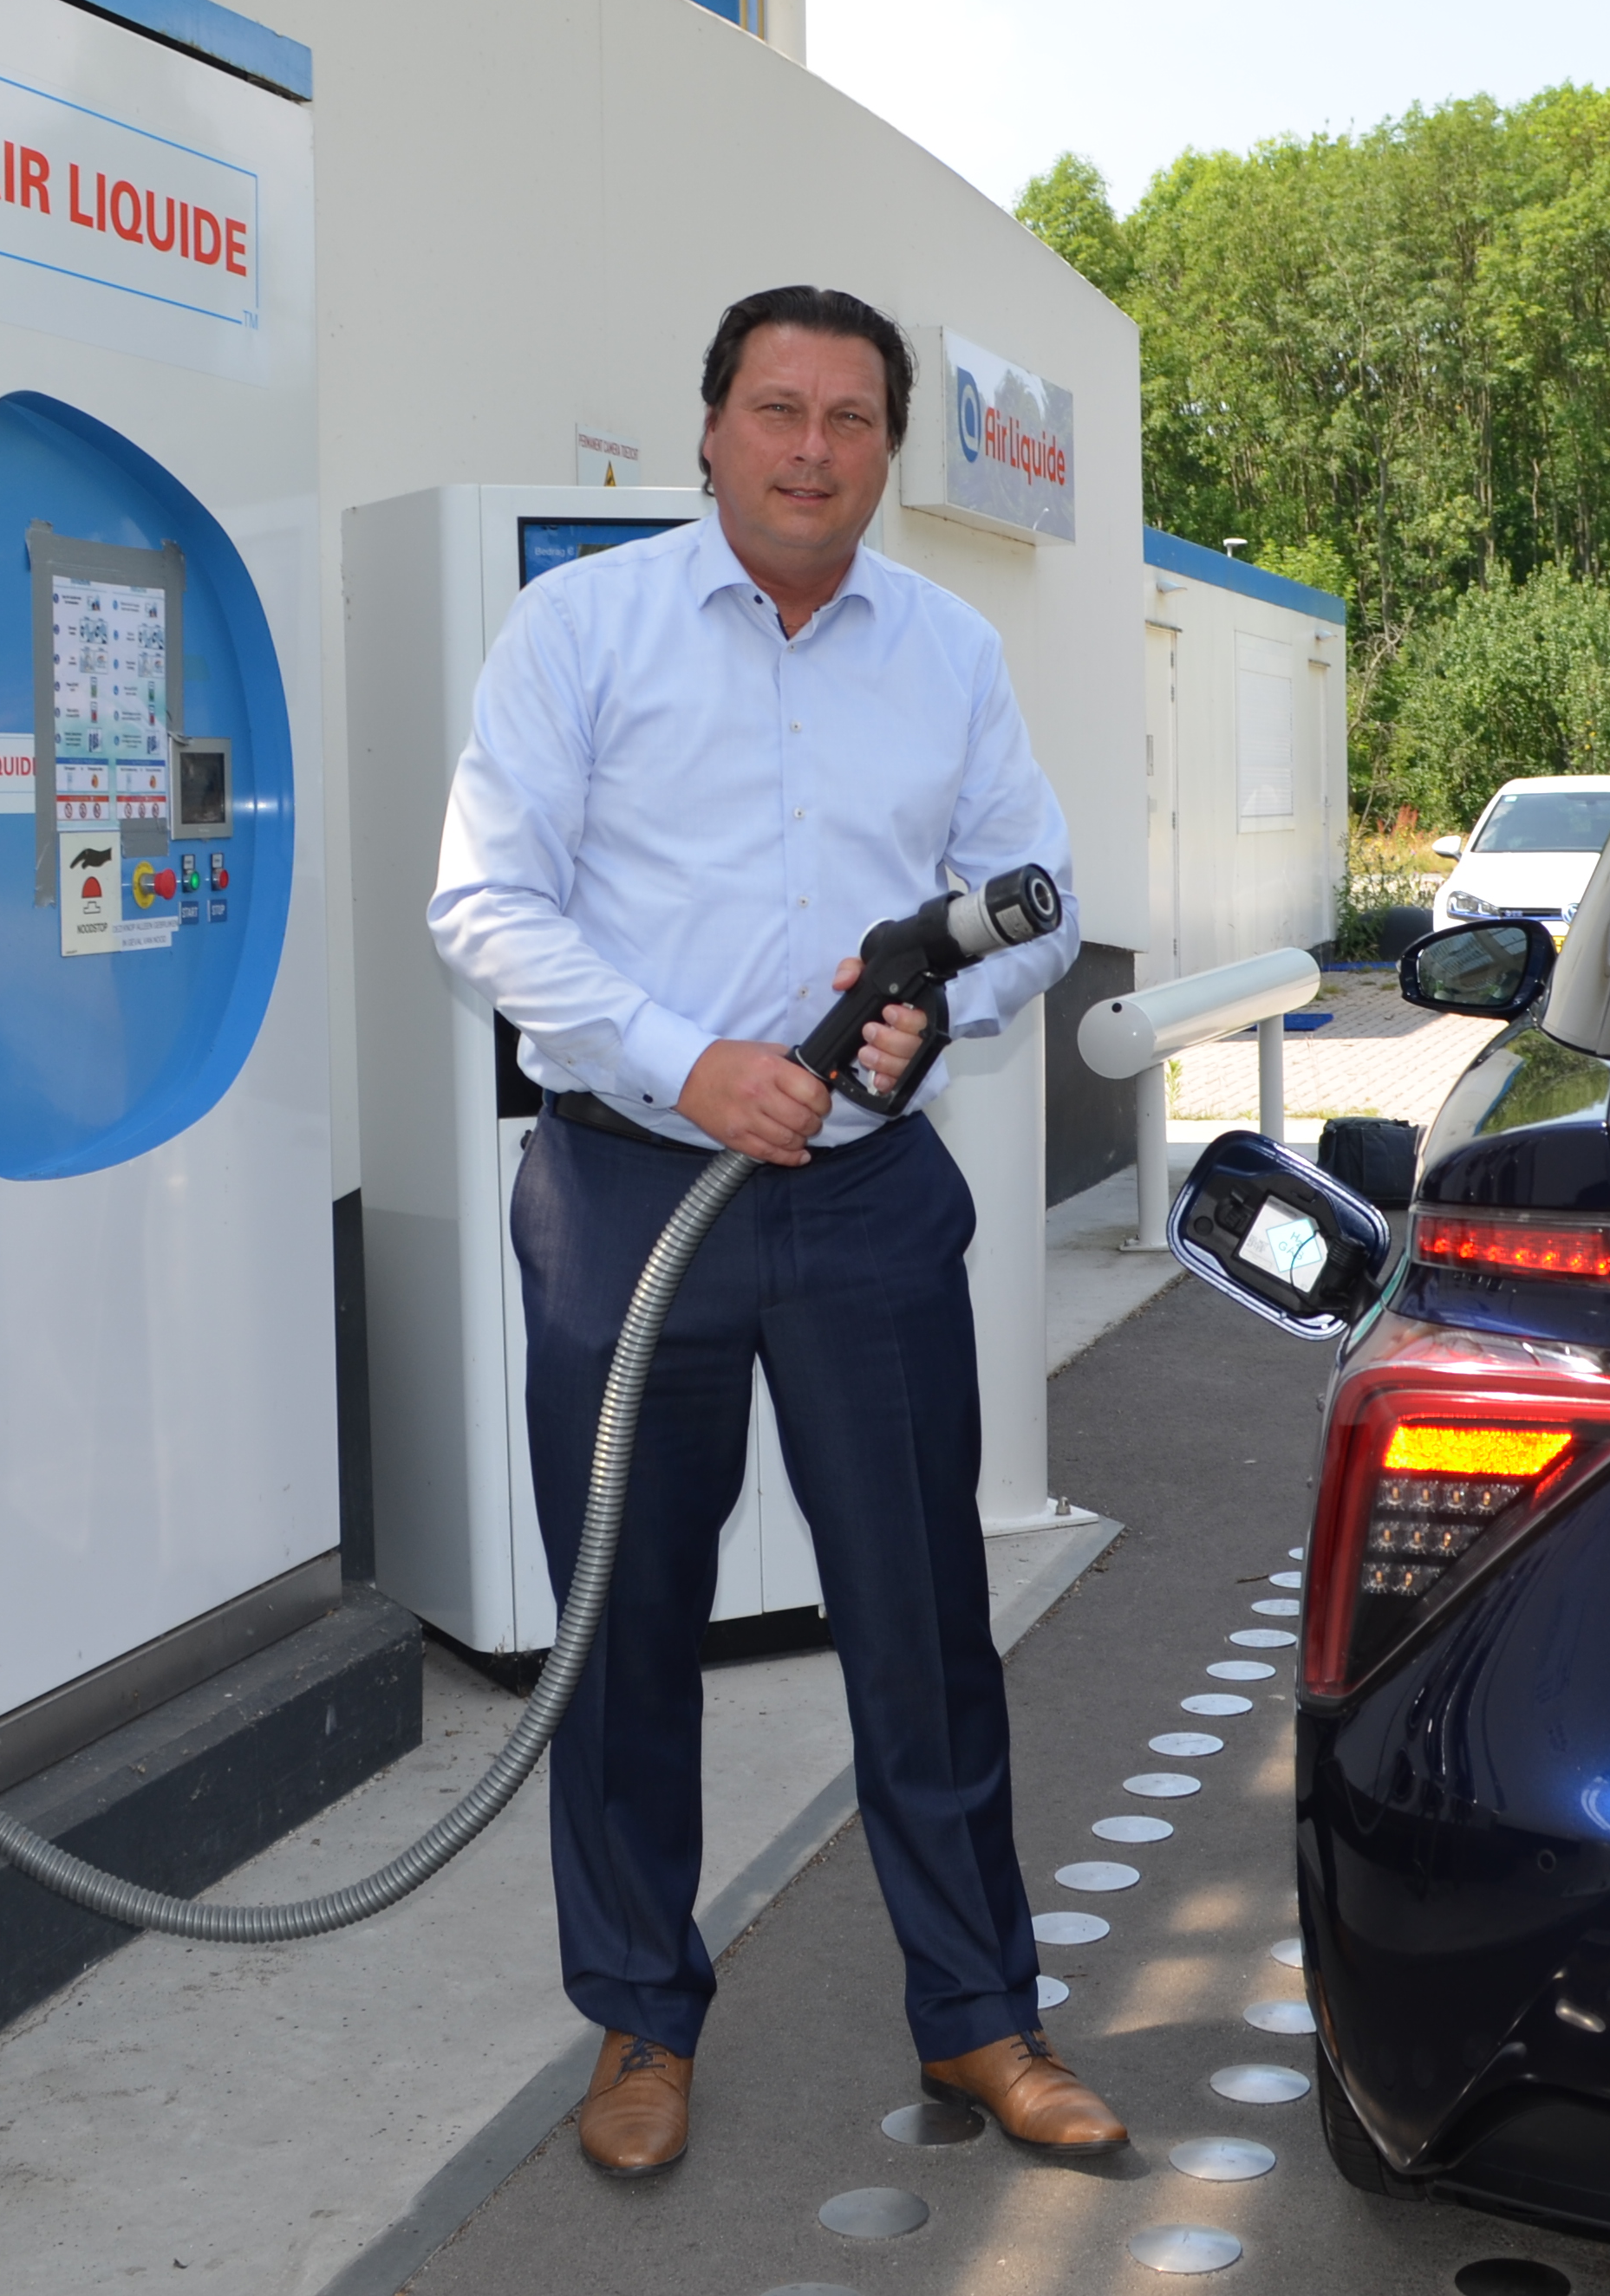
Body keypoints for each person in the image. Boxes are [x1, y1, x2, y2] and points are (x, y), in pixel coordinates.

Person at [429, 284, 1118, 2179]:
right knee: (625, 1630)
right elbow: (484, 907)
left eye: (849, 421)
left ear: (888, 450)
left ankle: (981, 2021)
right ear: (712, 427)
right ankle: (640, 2025)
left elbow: (1035, 907)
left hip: (876, 1207)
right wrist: (684, 1059)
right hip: (630, 1190)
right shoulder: (582, 630)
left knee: (920, 1630)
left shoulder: (952, 652)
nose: (811, 451)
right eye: (776, 411)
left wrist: (944, 1008)